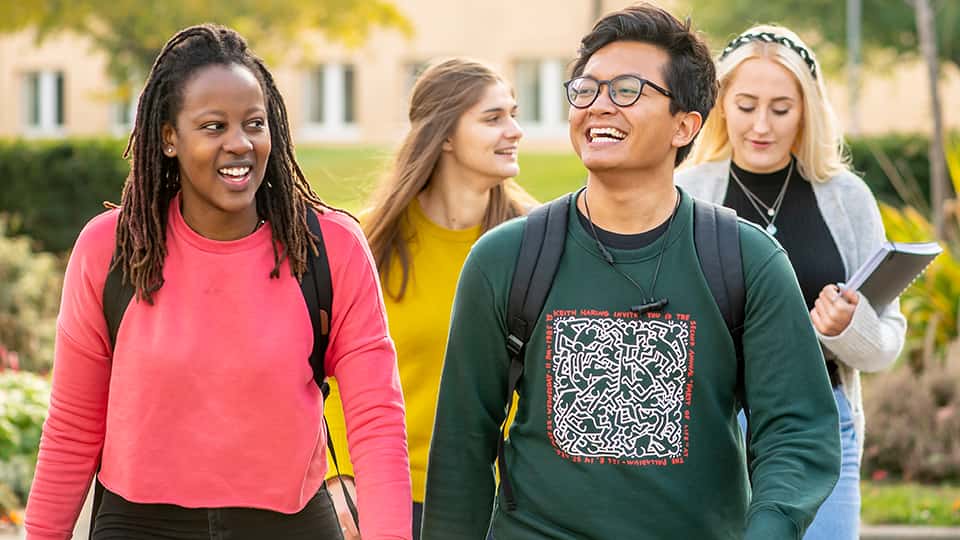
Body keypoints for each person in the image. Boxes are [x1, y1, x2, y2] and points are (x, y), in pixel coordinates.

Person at [420, 5, 841, 539]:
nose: (598, 106)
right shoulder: (505, 259)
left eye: (626, 91)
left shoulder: (747, 261)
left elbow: (796, 430)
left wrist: (770, 528)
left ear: (684, 124)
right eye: (586, 89)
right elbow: (463, 443)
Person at [24, 24, 411, 539]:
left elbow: (377, 423)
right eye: (213, 127)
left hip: (289, 526)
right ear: (168, 138)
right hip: (138, 526)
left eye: (255, 123)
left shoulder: (330, 248)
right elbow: (73, 429)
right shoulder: (111, 249)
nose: (240, 144)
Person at [678, 24, 907, 540]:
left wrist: (848, 327)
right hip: (711, 428)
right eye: (746, 105)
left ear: (806, 110)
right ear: (720, 106)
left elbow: (885, 344)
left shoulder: (846, 200)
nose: (762, 125)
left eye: (781, 109)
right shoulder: (686, 194)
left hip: (820, 422)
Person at [323, 57, 535, 540]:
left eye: (514, 113)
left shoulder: (538, 242)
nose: (516, 130)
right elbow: (328, 372)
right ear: (443, 135)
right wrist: (337, 478)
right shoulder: (367, 241)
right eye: (493, 118)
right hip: (389, 498)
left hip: (504, 502)